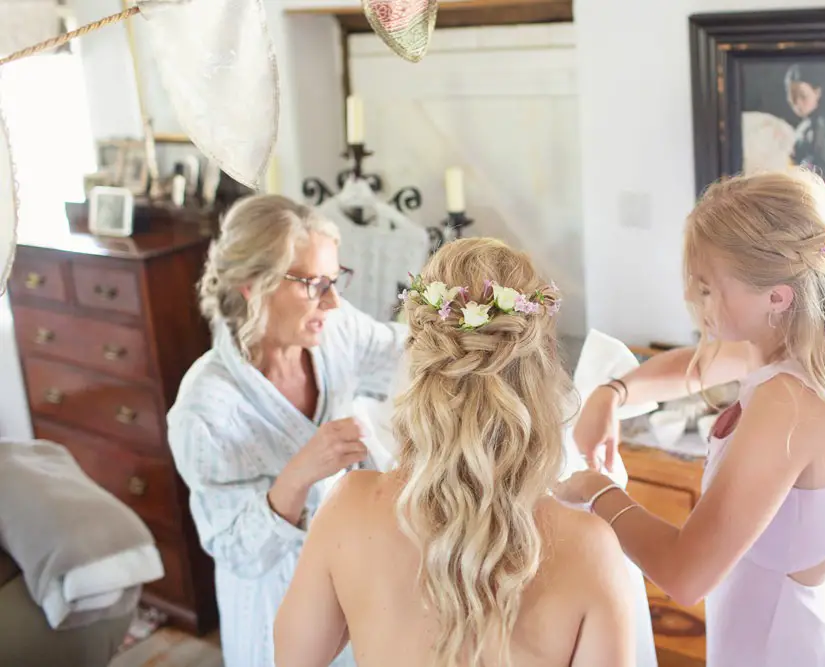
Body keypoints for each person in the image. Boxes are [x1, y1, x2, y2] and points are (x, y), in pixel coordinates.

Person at [555, 168, 825, 666]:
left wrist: (596, 492)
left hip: (783, 641)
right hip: (791, 616)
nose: (696, 301)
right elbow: (695, 365)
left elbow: (685, 574)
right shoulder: (799, 348)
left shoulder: (789, 403)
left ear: (776, 296)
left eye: (708, 287)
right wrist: (612, 392)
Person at [274, 238, 635, 667]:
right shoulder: (590, 550)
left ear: (416, 363)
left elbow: (293, 660)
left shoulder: (348, 508)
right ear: (543, 367)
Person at [167, 194, 406, 667]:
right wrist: (298, 476)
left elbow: (407, 354)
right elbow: (235, 549)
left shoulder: (335, 330)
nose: (333, 301)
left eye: (335, 282)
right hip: (273, 601)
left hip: (355, 577)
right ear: (252, 284)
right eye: (314, 284)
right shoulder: (205, 410)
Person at [784, 63, 825, 179]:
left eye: (803, 96)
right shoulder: (804, 127)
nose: (797, 102)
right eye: (792, 96)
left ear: (817, 92)